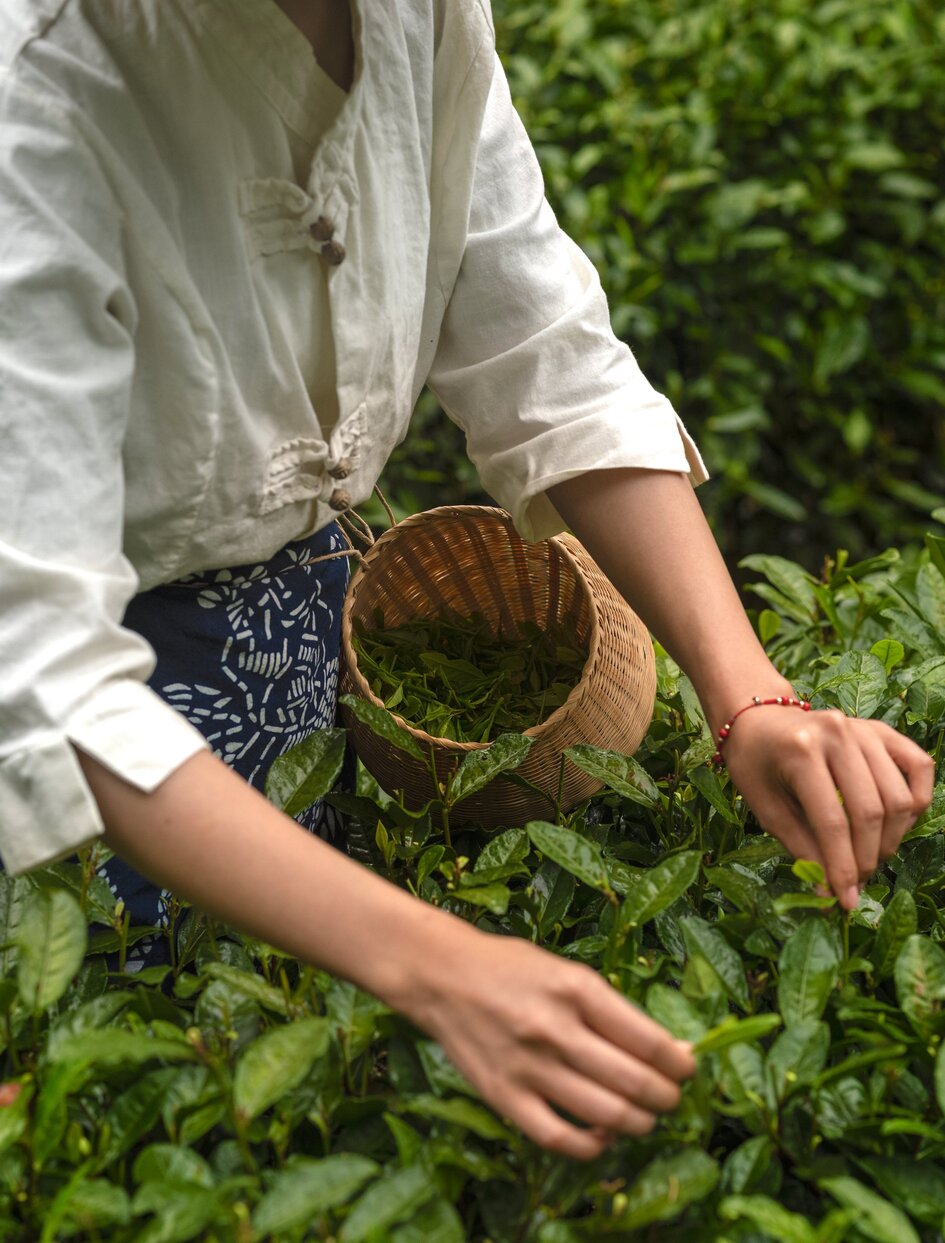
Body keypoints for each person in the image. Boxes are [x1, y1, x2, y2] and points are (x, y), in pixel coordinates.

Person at [0, 0, 933, 1162]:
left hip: (301, 650)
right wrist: (439, 965)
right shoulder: (40, 90)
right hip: (97, 773)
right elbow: (40, 679)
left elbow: (546, 357)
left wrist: (753, 697)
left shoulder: (423, 17)